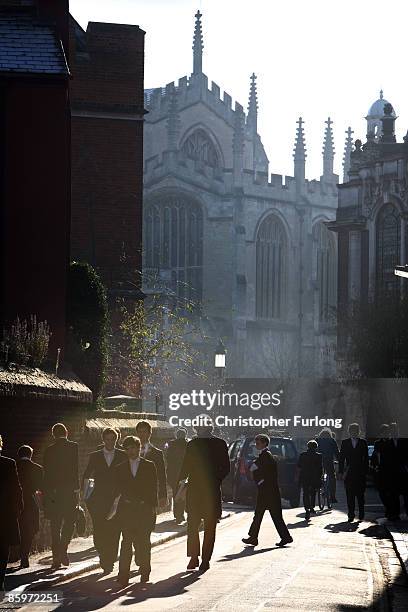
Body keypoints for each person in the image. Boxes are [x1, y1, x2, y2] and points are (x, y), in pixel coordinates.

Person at [179, 415, 230, 571]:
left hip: (204, 490)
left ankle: (202, 559)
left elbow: (225, 467)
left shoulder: (213, 444)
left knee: (203, 526)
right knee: (197, 526)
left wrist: (214, 480)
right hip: (204, 490)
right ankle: (197, 557)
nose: (199, 429)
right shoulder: (195, 444)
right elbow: (186, 466)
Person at [114, 436, 158, 586]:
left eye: (134, 447)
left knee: (144, 543)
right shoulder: (119, 468)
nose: (131, 451)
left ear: (139, 448)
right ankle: (123, 575)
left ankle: (145, 572)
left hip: (144, 510)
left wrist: (152, 509)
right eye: (128, 448)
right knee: (126, 543)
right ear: (125, 450)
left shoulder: (149, 466)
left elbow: (153, 489)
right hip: (127, 511)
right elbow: (117, 489)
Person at [82, 428, 127, 573]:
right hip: (98, 499)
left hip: (116, 499)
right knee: (99, 528)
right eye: (107, 439)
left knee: (114, 530)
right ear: (103, 440)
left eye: (112, 439)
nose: (110, 442)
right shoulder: (95, 456)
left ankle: (111, 559)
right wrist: (86, 495)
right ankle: (102, 553)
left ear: (116, 439)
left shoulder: (123, 455)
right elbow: (87, 475)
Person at [242, 434, 293, 546]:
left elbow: (255, 469)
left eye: (258, 443)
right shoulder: (264, 455)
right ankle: (253, 537)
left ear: (264, 443)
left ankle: (285, 537)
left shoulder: (265, 456)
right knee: (260, 514)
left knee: (273, 515)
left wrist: (259, 480)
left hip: (268, 491)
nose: (256, 445)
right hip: (267, 490)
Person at [43, 423, 79, 569]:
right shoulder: (73, 447)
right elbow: (75, 469)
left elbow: (47, 474)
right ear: (66, 432)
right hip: (69, 491)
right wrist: (77, 490)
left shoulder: (49, 450)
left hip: (54, 493)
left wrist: (47, 493)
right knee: (70, 522)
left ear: (53, 434)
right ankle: (63, 547)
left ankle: (56, 558)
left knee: (55, 525)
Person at [0, 434, 23, 595]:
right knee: (2, 550)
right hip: (5, 515)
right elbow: (16, 489)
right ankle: (0, 581)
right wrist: (17, 510)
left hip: (5, 515)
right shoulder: (8, 463)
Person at [16, 445, 43, 568]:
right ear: (30, 454)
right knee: (30, 530)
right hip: (31, 503)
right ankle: (24, 555)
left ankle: (19, 553)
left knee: (19, 528)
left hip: (15, 503)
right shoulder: (37, 468)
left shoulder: (13, 466)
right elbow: (40, 489)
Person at [339, 423, 369, 522]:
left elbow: (366, 458)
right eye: (352, 431)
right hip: (349, 472)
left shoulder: (363, 443)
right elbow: (341, 458)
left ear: (358, 432)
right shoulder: (345, 443)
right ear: (349, 432)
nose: (354, 433)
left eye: (356, 431)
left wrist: (366, 471)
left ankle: (361, 513)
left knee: (360, 495)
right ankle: (351, 514)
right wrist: (340, 471)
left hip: (360, 472)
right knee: (350, 495)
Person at [135, 421, 167, 508]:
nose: (142, 434)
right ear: (137, 433)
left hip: (150, 494)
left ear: (149, 434)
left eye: (144, 432)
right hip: (133, 494)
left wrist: (163, 495)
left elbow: (161, 475)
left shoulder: (157, 453)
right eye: (139, 432)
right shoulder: (128, 451)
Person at [165, 428, 188, 523]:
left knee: (175, 494)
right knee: (182, 494)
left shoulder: (171, 444)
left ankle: (177, 514)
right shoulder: (187, 444)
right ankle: (180, 514)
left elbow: (167, 457)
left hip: (173, 474)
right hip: (184, 473)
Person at [297, 440, 323, 520]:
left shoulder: (302, 455)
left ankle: (307, 508)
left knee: (305, 493)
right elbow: (320, 468)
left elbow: (299, 466)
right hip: (315, 477)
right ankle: (311, 507)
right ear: (316, 447)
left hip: (305, 476)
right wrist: (320, 477)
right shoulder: (319, 456)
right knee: (313, 492)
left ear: (307, 446)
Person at [371, 424, 392, 519]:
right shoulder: (377, 443)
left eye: (387, 432)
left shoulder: (391, 442)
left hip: (390, 470)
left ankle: (391, 510)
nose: (385, 434)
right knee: (381, 492)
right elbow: (375, 455)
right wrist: (374, 465)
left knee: (391, 492)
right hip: (380, 470)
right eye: (383, 432)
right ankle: (388, 507)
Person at [317, 428, 340, 503]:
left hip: (319, 461)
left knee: (319, 476)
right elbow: (336, 452)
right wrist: (339, 461)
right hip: (329, 461)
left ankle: (320, 488)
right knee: (332, 477)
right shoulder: (332, 440)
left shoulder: (317, 440)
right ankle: (333, 497)